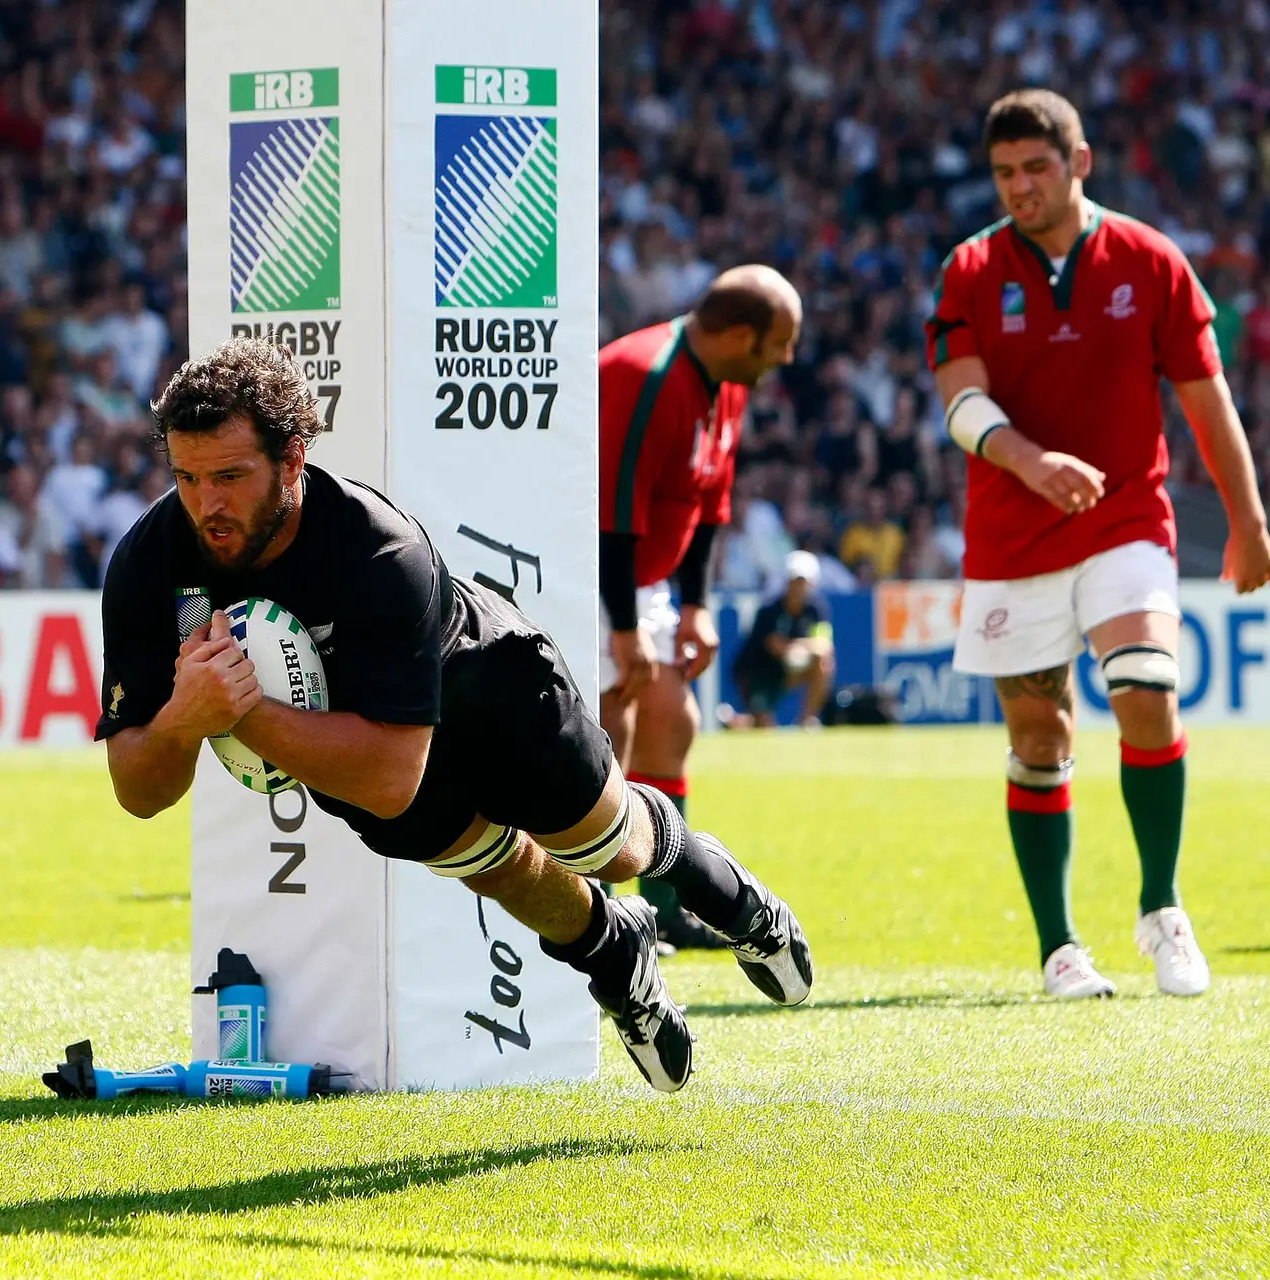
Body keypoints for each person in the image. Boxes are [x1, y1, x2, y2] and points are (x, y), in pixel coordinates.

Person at [98, 339, 815, 1093]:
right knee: (501, 872)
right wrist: (184, 718)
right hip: (350, 744)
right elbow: (139, 791)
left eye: (231, 476)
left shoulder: (375, 546)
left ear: (293, 459)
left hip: (490, 693)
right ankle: (615, 953)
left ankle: (729, 896)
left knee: (608, 847)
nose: (207, 503)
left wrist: (238, 714)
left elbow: (389, 780)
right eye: (187, 477)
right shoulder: (149, 563)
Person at [925, 90, 1270, 1000]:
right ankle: (1059, 949)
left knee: (1146, 692)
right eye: (1004, 173)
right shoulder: (968, 268)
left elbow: (1207, 399)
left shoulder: (1150, 260)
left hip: (1125, 518)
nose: (1020, 187)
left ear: (1080, 162)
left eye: (1036, 168)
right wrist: (1031, 461)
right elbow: (962, 403)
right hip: (1012, 534)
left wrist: (1250, 518)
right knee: (1040, 733)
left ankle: (1162, 909)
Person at [597, 264, 801, 949]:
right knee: (611, 723)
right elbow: (610, 515)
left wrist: (694, 607)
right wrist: (624, 629)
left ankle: (662, 909)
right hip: (589, 572)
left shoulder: (725, 384)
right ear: (741, 335)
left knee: (671, 720)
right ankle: (600, 913)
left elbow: (707, 504)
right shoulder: (643, 376)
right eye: (781, 343)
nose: (787, 359)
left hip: (642, 584)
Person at [732, 551, 835, 729]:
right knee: (763, 726)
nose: (798, 587)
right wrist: (804, 647)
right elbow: (774, 645)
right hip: (758, 673)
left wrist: (798, 649)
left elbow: (824, 645)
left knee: (824, 663)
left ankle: (807, 720)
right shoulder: (769, 610)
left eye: (803, 582)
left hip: (787, 671)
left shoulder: (816, 610)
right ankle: (734, 722)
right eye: (794, 581)